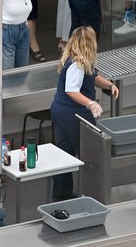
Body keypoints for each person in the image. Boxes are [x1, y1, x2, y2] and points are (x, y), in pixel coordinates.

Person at [50, 26, 119, 200]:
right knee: (90, 153)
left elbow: (93, 76)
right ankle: (93, 194)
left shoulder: (77, 60)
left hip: (60, 111)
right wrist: (90, 103)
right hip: (74, 115)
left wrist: (109, 85)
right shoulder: (77, 65)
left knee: (64, 152)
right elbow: (71, 91)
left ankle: (61, 193)